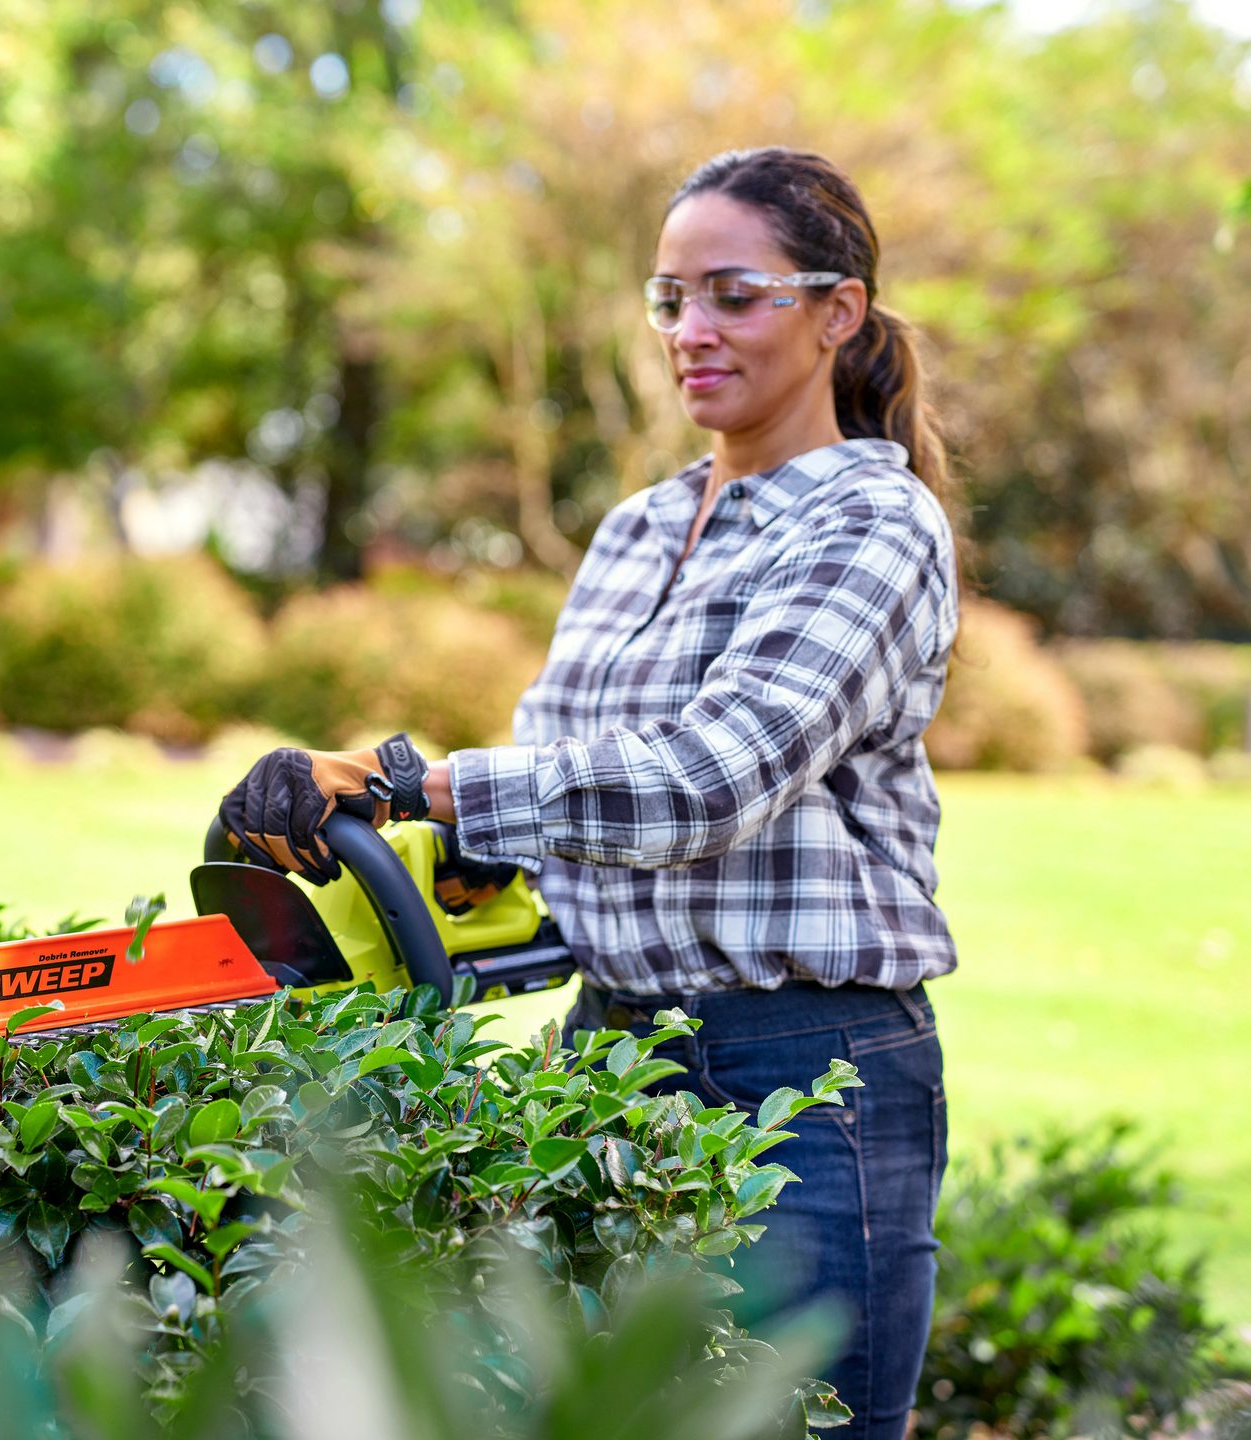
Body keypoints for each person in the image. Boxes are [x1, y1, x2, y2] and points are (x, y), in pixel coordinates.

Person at [219, 146, 958, 1439]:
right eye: (671, 298)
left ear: (838, 311)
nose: (694, 331)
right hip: (610, 1051)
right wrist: (401, 854)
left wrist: (412, 787)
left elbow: (707, 780)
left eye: (736, 294)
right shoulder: (634, 528)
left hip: (803, 1072)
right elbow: (565, 779)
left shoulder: (870, 528)